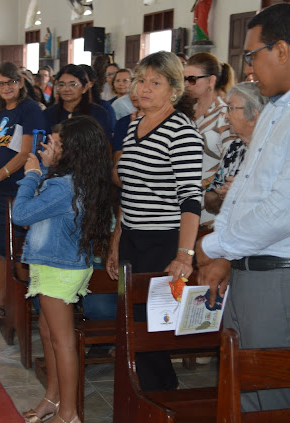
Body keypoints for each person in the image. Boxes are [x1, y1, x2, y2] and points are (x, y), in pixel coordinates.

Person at [197, 3, 290, 412]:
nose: (247, 67)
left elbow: (285, 212)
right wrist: (225, 252)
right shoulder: (276, 108)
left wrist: (215, 245)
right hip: (249, 268)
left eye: (251, 55)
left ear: (282, 50)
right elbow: (245, 188)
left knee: (276, 398)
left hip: (281, 276)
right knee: (242, 391)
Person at [106, 51, 203, 391]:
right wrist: (117, 241)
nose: (144, 88)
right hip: (132, 239)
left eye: (155, 83)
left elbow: (191, 199)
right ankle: (143, 398)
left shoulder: (182, 132)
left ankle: (161, 398)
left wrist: (184, 255)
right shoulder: (134, 125)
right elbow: (129, 191)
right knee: (130, 325)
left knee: (153, 330)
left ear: (174, 90)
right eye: (141, 81)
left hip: (163, 242)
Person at [14, 116, 112, 423]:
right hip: (62, 264)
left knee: (63, 341)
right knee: (48, 331)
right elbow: (46, 209)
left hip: (58, 268)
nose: (49, 147)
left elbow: (21, 214)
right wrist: (43, 170)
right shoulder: (78, 179)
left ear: (73, 150)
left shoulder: (62, 186)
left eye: (56, 144)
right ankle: (52, 398)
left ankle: (69, 415)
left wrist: (31, 175)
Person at [0, 61, 45, 326]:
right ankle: (1, 303)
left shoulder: (30, 109)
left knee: (17, 252)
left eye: (11, 82)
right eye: (0, 83)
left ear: (20, 82)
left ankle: (23, 305)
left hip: (18, 191)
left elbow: (27, 152)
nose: (5, 87)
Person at [184, 52, 235, 228]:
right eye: (184, 79)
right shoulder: (185, 111)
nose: (186, 84)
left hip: (208, 205)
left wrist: (206, 186)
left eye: (192, 79)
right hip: (180, 201)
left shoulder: (225, 114)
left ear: (211, 81)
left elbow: (231, 161)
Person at [204, 82, 267, 215]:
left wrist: (243, 193)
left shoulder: (273, 151)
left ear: (253, 116)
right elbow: (209, 200)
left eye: (231, 108)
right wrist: (222, 196)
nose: (226, 116)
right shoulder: (236, 147)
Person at [43, 64, 112, 143]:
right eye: (61, 84)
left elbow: (106, 144)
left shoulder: (98, 113)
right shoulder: (48, 114)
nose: (66, 89)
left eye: (73, 84)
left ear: (85, 88)